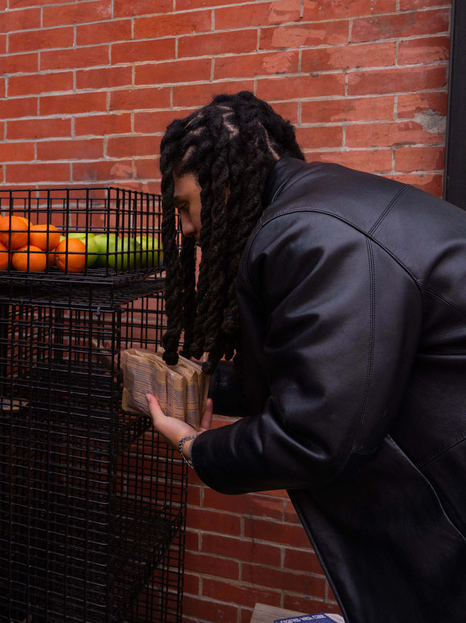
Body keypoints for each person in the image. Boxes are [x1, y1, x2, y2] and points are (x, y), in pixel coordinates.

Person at [145, 91, 466, 622]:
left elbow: (314, 435)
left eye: (183, 206)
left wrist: (198, 449)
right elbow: (322, 371)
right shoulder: (326, 205)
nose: (184, 228)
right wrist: (201, 382)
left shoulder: (313, 231)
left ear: (222, 183)